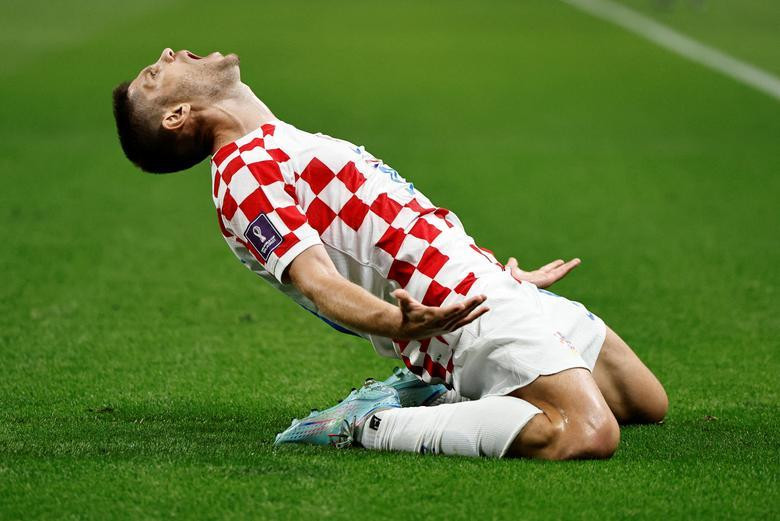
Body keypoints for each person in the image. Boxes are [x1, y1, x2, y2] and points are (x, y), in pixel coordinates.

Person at [112, 48, 668, 460]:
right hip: (449, 310)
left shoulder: (276, 140)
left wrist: (500, 272)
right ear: (178, 115)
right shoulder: (241, 175)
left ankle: (434, 393)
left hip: (483, 284)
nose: (165, 55)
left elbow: (394, 228)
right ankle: (373, 424)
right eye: (155, 75)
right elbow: (317, 282)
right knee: (585, 431)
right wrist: (403, 324)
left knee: (643, 402)